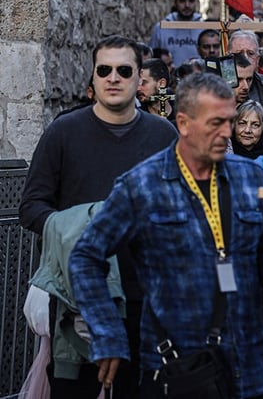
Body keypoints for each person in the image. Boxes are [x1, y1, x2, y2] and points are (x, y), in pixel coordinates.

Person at [68, 72, 263, 398]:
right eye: (215, 123)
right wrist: (107, 332)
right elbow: (85, 257)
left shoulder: (251, 178)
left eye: (229, 121)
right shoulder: (143, 185)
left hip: (249, 366)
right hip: (176, 366)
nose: (226, 133)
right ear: (184, 122)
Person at [19, 35, 178, 399]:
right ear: (92, 77)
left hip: (144, 300)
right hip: (79, 299)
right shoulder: (64, 132)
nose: (113, 78)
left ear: (141, 78)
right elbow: (31, 207)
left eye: (124, 70)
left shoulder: (163, 137)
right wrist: (78, 225)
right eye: (104, 70)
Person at [228, 30, 263, 147]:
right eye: (239, 54)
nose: (245, 58)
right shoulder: (215, 90)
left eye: (250, 53)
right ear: (228, 57)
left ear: (258, 59)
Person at [149, 0, 205, 66]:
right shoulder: (161, 28)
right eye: (182, 1)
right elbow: (152, 57)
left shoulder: (203, 28)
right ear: (175, 3)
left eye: (191, 1)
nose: (187, 5)